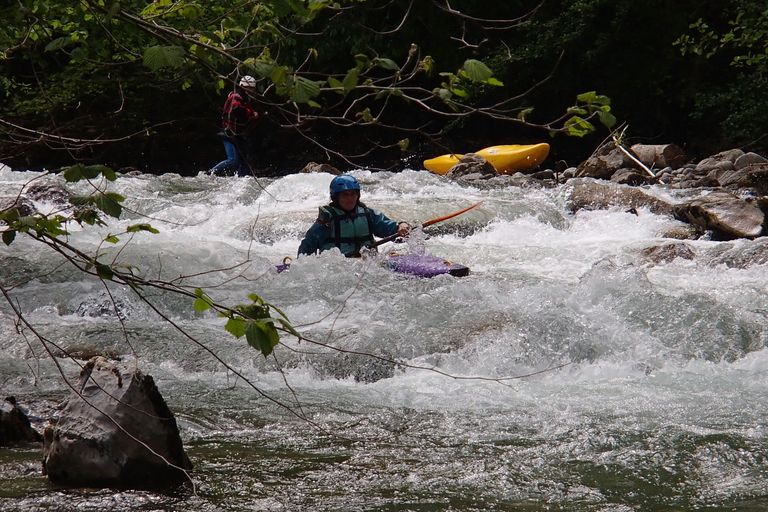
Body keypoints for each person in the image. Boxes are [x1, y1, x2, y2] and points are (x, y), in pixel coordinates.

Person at [298, 175, 410, 257]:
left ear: (358, 195)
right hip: (339, 266)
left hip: (367, 263)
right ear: (336, 197)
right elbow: (309, 244)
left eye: (353, 194)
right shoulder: (328, 219)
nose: (350, 199)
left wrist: (401, 226)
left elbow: (389, 227)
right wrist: (300, 266)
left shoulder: (367, 213)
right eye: (345, 195)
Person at [209, 75, 259, 177]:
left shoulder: (243, 99)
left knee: (245, 164)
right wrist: (251, 113)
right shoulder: (235, 97)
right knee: (233, 161)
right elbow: (237, 110)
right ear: (245, 87)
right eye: (251, 88)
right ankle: (209, 174)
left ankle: (241, 180)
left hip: (237, 135)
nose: (253, 91)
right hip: (228, 134)